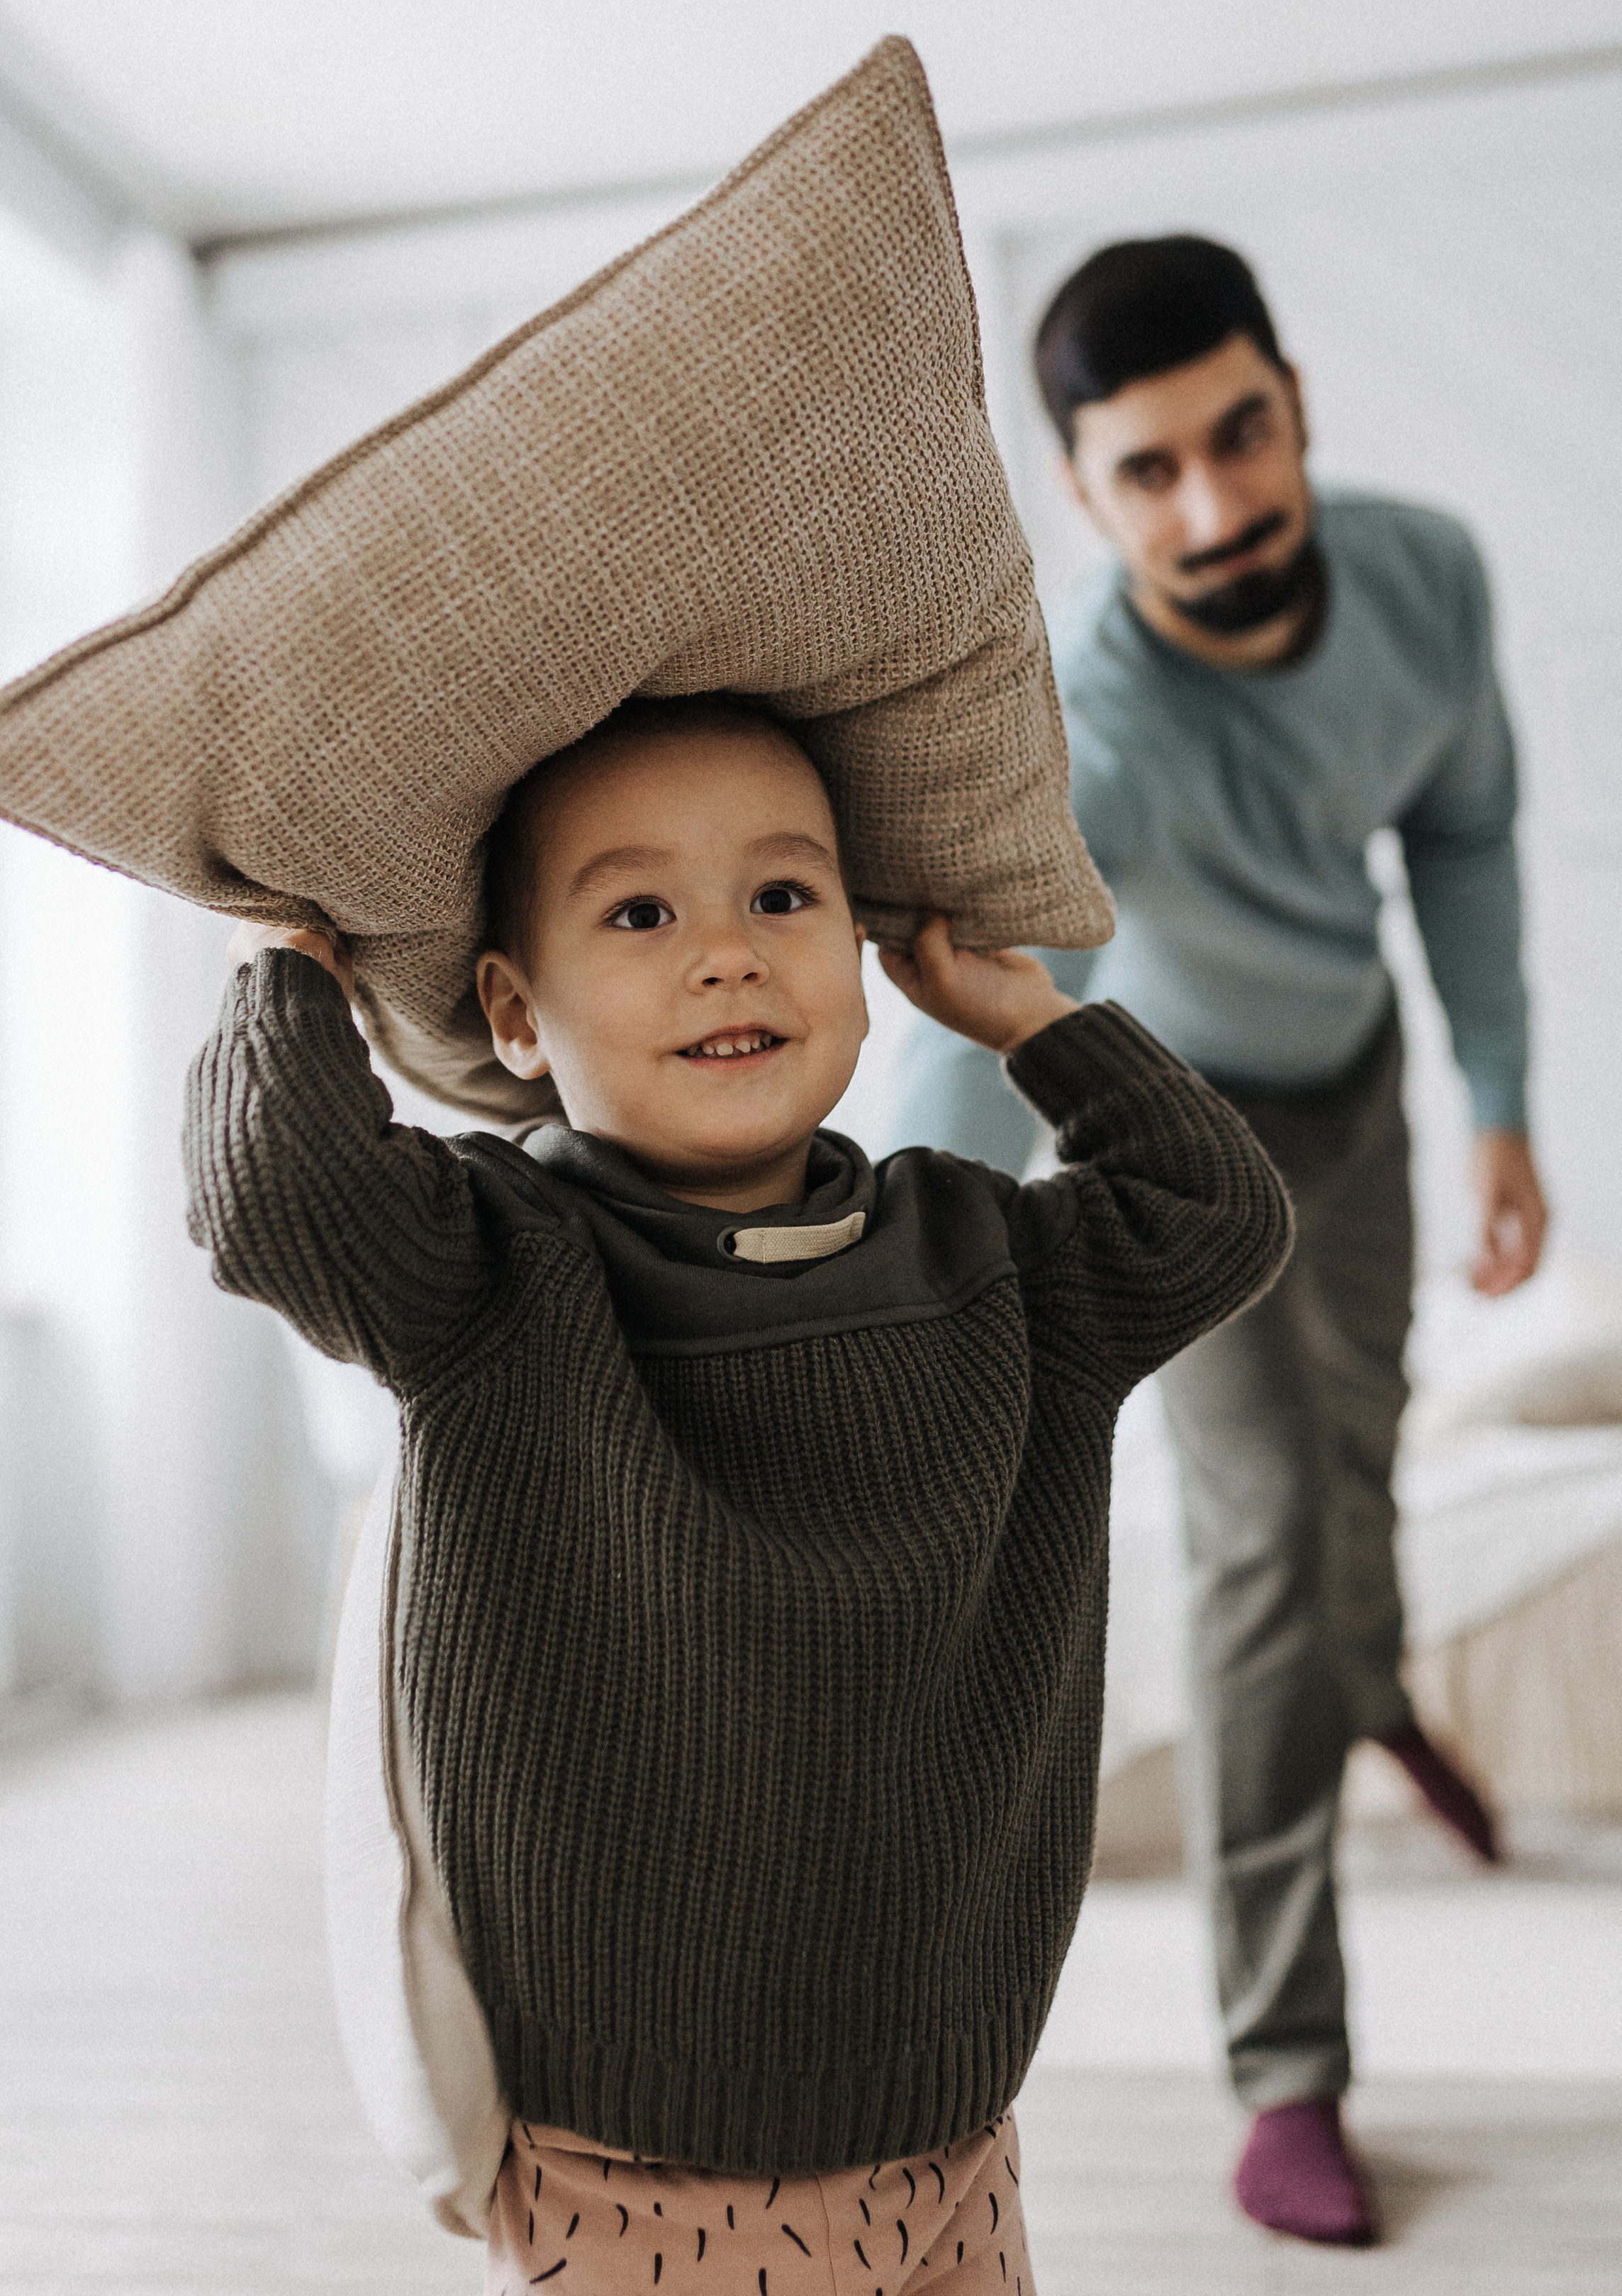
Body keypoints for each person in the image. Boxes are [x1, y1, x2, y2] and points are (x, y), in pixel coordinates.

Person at [186, 691, 1291, 2293]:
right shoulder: (492, 1267)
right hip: (635, 2162)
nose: (726, 950)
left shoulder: (998, 1260)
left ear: (860, 953)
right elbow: (271, 1198)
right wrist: (293, 959)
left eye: (784, 896)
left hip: (951, 2123)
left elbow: (1213, 1213)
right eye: (639, 912)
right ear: (514, 1012)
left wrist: (1027, 1017)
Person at [888, 237, 1548, 2250]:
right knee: (1269, 1543)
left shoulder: (1424, 576)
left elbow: (1461, 826)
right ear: (1083, 497)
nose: (1217, 505)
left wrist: (1501, 1097)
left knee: (1369, 1454)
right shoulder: (1091, 729)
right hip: (1176, 1139)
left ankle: (1378, 1690)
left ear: (1296, 403)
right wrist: (886, 1266)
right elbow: (997, 1027)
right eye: (1150, 471)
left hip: (1356, 1088)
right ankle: (1291, 2067)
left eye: (1240, 438)